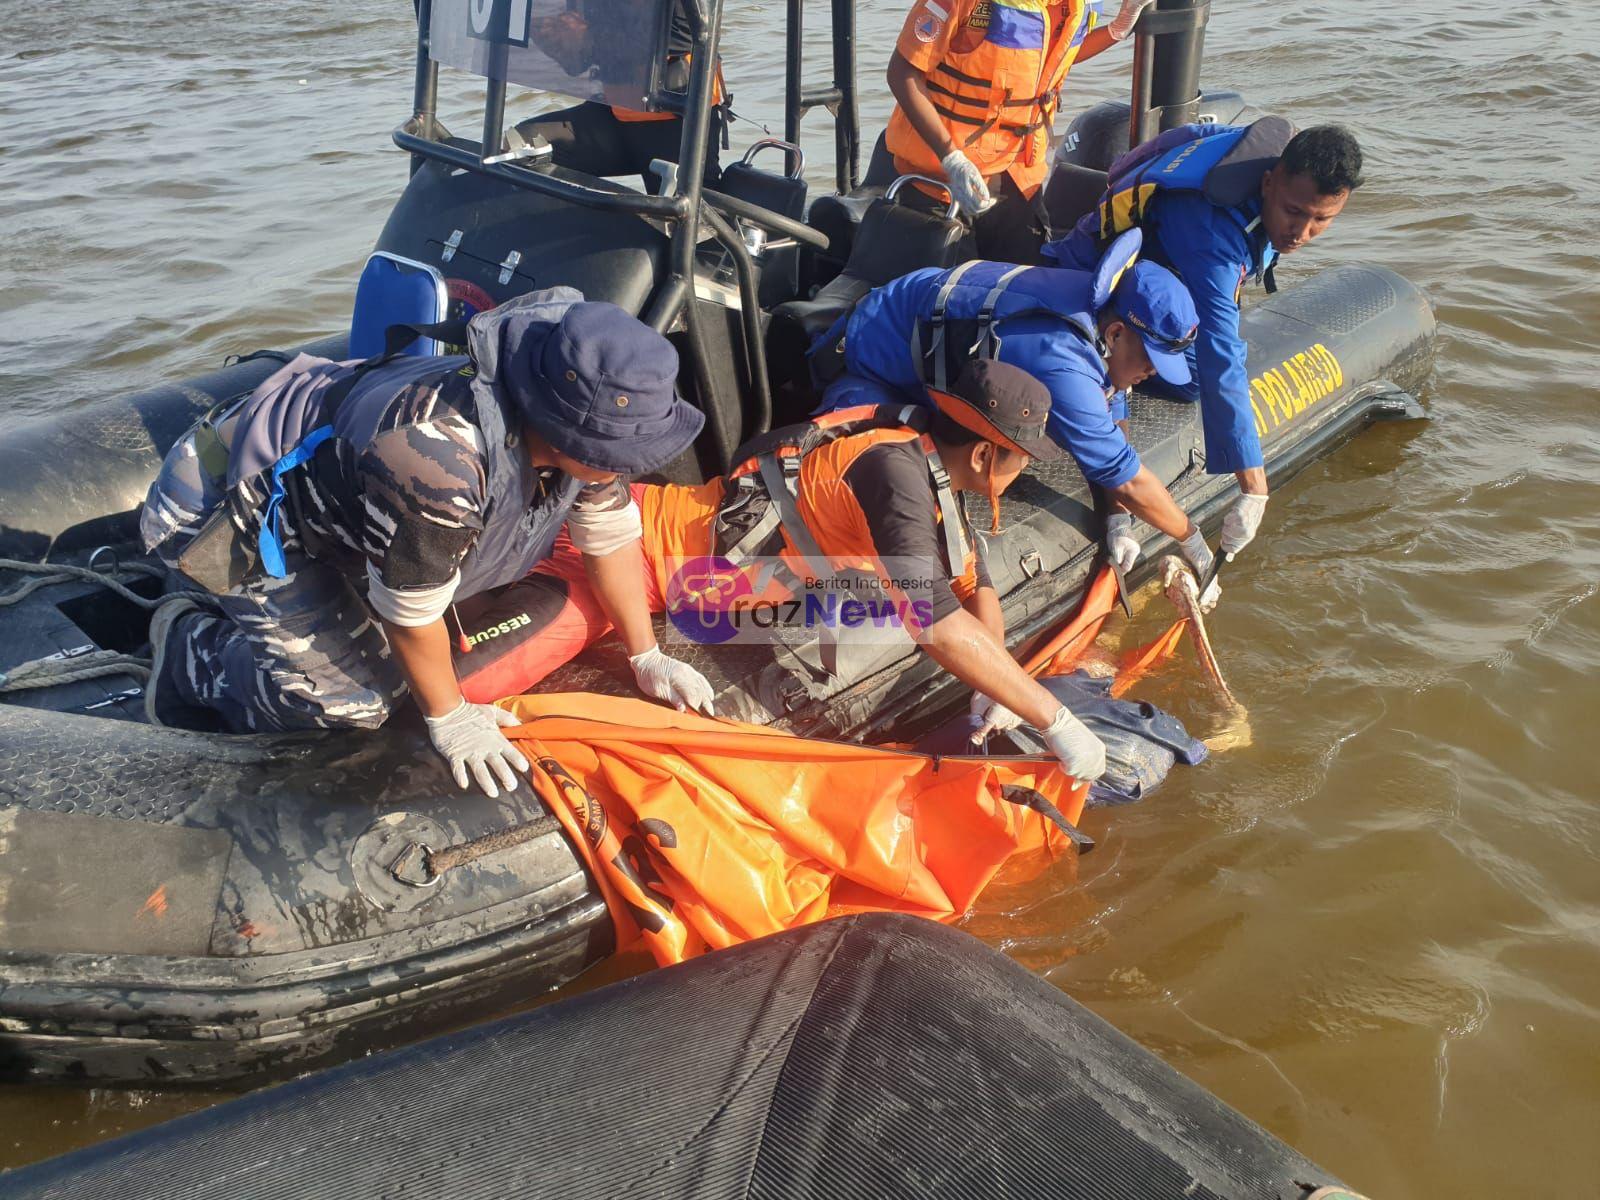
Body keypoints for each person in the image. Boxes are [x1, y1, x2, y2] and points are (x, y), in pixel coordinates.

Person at [139, 290, 716, 797]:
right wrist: (451, 716)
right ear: (564, 433)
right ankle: (192, 647)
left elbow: (609, 536)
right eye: (615, 453)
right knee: (353, 704)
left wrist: (647, 656)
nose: (625, 464)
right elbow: (414, 617)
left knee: (406, 639)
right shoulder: (439, 464)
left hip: (345, 509)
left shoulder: (584, 421)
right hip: (230, 508)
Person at [447, 360, 1114, 783]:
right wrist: (1055, 719)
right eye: (1024, 453)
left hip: (668, 569)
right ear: (987, 452)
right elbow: (936, 627)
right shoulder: (891, 473)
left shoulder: (931, 470)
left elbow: (973, 587)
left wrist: (997, 683)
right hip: (630, 557)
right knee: (468, 687)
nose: (1030, 464)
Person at [814, 238, 1223, 605]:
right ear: (1115, 334)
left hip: (922, 316)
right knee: (870, 480)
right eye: (1151, 362)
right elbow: (1126, 476)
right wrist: (1192, 539)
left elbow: (1113, 414)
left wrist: (1115, 516)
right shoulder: (1060, 360)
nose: (1152, 374)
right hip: (874, 354)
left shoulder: (1097, 316)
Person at [1044, 121, 1366, 567]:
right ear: (1268, 183)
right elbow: (1219, 355)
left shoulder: (1259, 154)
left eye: (1321, 220)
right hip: (1092, 268)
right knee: (1196, 376)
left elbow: (1164, 144)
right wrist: (1254, 486)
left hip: (1155, 261)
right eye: (1294, 212)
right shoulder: (1214, 235)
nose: (1301, 232)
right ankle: (1120, 371)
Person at [884, 0, 1156, 261]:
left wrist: (1117, 29)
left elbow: (1059, 55)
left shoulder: (1071, 4)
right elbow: (902, 71)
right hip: (944, 182)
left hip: (1019, 177)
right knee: (946, 294)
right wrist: (951, 158)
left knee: (1025, 284)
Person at [519, 0, 725, 192]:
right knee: (523, 146)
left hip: (675, 122)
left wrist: (593, 38)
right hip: (616, 115)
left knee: (687, 221)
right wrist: (553, 37)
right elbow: (579, 61)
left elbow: (689, 36)